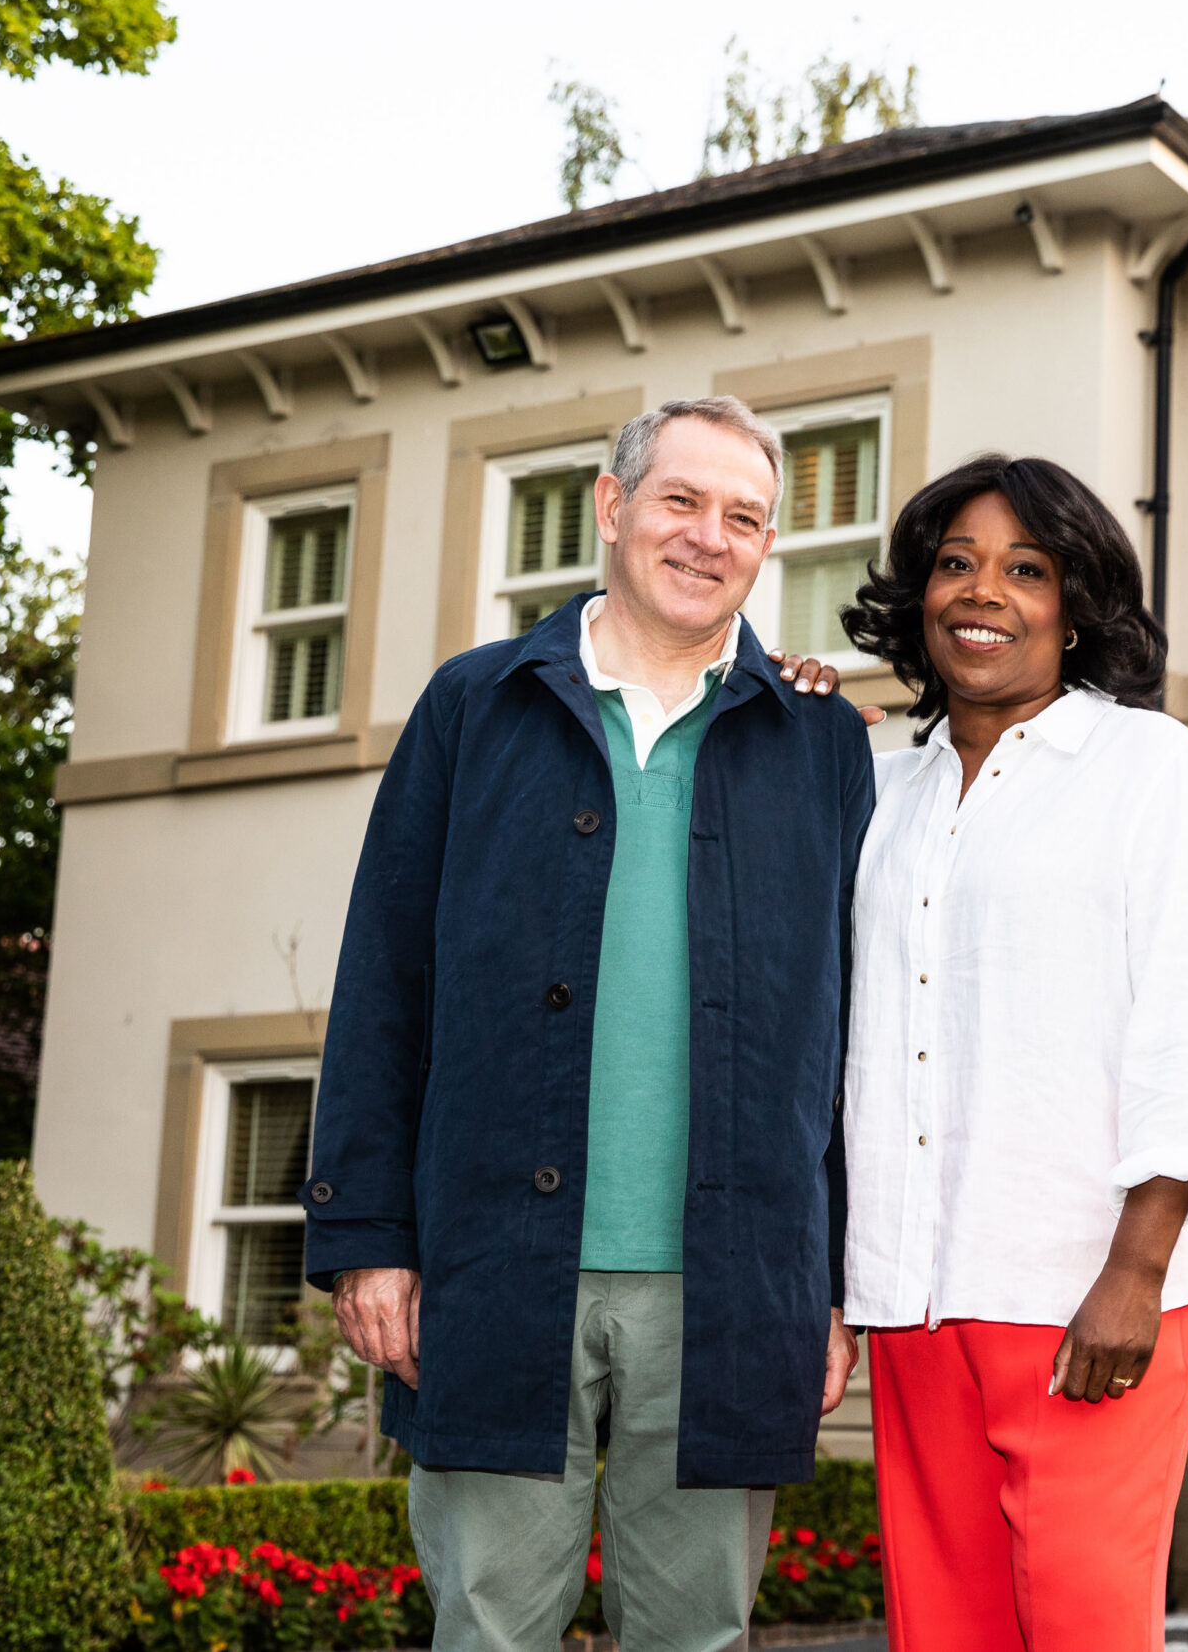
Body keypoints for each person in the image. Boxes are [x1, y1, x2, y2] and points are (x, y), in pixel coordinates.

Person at [301, 396, 876, 1652]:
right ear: (613, 508)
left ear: (767, 546)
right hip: (493, 1265)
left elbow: (857, 1039)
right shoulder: (473, 707)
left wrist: (836, 1287)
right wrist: (368, 1239)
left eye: (744, 517)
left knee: (699, 1634)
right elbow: (384, 977)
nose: (709, 536)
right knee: (488, 1627)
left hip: (734, 1286)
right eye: (682, 500)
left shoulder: (820, 740)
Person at [836, 455, 1188, 1652]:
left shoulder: (1147, 768)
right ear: (918, 596)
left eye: (1026, 569)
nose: (984, 592)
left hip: (1085, 1294)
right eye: (955, 564)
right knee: (944, 1632)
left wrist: (1136, 1269)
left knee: (1084, 1624)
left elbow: (1185, 1027)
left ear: (1075, 608)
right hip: (914, 1296)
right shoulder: (876, 795)